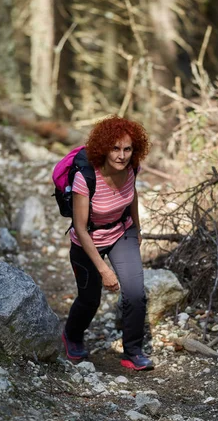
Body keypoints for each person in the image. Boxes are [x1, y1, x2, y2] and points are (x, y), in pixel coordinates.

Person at [62, 115, 154, 371]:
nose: (121, 155)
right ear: (104, 147)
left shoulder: (133, 168)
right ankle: (72, 335)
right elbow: (80, 228)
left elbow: (132, 195)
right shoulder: (87, 178)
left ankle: (133, 351)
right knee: (90, 299)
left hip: (121, 232)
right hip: (87, 241)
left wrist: (137, 227)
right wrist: (104, 270)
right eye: (115, 148)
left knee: (135, 294)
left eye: (127, 149)